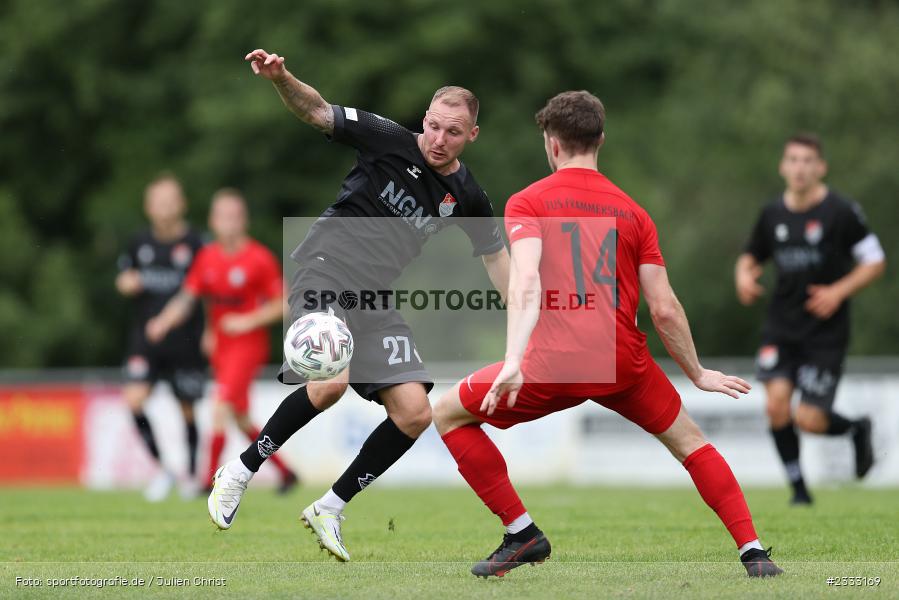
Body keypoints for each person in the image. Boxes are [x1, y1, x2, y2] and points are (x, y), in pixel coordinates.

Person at [433, 91, 783, 578]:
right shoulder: (633, 212)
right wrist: (697, 372)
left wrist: (514, 358)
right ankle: (754, 552)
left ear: (552, 144)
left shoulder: (528, 201)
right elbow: (664, 308)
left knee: (447, 413)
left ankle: (522, 533)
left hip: (553, 366)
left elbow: (526, 281)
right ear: (600, 139)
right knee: (693, 444)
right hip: (623, 365)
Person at [205, 49, 510, 562]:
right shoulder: (386, 137)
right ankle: (240, 470)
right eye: (433, 126)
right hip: (324, 267)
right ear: (424, 120)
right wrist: (282, 78)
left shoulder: (468, 194)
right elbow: (317, 110)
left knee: (415, 412)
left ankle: (330, 506)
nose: (438, 139)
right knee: (329, 381)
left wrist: (529, 315)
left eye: (452, 132)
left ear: (471, 136)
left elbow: (496, 259)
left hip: (373, 296)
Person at [735, 133, 885, 505]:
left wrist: (838, 291)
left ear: (821, 167)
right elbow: (750, 256)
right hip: (782, 325)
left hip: (825, 333)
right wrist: (743, 276)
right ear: (783, 167)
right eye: (793, 160)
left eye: (808, 161)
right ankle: (799, 490)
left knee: (809, 419)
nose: (800, 168)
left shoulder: (841, 211)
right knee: (775, 405)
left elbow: (875, 260)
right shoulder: (772, 214)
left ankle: (855, 429)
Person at [147, 188, 298, 493]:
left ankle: (208, 480)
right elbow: (191, 297)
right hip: (222, 347)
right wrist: (166, 322)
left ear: (243, 221)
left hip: (248, 346)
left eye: (233, 217)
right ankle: (286, 473)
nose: (227, 223)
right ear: (213, 222)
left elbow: (285, 303)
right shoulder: (207, 257)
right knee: (240, 417)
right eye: (221, 217)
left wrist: (247, 321)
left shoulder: (258, 258)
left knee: (219, 408)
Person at [116, 174, 206, 501]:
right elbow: (123, 278)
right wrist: (128, 282)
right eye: (158, 202)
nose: (165, 208)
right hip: (146, 339)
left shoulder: (197, 243)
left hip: (186, 339)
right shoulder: (139, 243)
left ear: (182, 204)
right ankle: (163, 470)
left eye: (170, 201)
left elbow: (206, 292)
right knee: (134, 399)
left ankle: (191, 477)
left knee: (188, 410)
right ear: (148, 207)